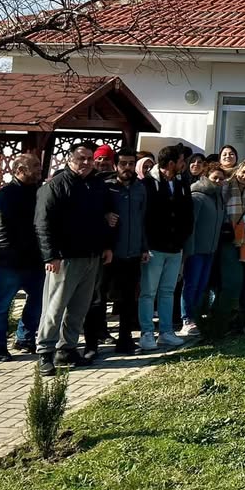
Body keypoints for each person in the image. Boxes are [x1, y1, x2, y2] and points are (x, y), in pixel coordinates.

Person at [34, 141, 112, 373]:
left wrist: (106, 246)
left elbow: (105, 217)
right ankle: (45, 351)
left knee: (79, 307)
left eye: (90, 158)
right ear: (69, 160)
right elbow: (42, 223)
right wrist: (50, 256)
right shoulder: (56, 185)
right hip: (64, 257)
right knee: (55, 307)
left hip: (91, 256)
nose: (86, 163)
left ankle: (66, 349)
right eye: (81, 159)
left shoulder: (97, 185)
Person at [0, 152, 45, 360]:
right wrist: (9, 254)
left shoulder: (40, 192)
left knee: (38, 300)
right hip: (10, 262)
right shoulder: (6, 195)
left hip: (35, 260)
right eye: (35, 166)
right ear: (20, 170)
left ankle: (26, 336)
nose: (40, 170)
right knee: (2, 304)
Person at [136, 146, 193, 352]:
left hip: (175, 247)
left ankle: (166, 332)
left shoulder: (182, 183)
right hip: (153, 247)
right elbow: (141, 217)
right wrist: (144, 245)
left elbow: (188, 214)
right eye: (180, 161)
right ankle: (147, 333)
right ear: (170, 164)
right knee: (148, 292)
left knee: (168, 291)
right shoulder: (147, 184)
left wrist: (183, 240)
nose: (183, 165)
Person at [102, 147, 147, 354]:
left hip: (133, 252)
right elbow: (95, 213)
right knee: (102, 296)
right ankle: (96, 338)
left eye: (131, 164)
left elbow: (144, 219)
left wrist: (144, 247)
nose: (127, 168)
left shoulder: (141, 188)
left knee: (129, 298)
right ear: (115, 165)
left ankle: (125, 339)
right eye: (123, 164)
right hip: (111, 253)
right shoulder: (107, 187)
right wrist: (104, 216)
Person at [180, 167, 225, 336]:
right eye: (215, 178)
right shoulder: (197, 196)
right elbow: (190, 226)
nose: (218, 181)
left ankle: (195, 316)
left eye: (221, 179)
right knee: (191, 285)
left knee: (201, 285)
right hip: (196, 250)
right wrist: (189, 250)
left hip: (210, 250)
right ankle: (186, 318)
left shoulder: (218, 198)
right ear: (206, 177)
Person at [220, 160, 245, 321]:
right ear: (237, 171)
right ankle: (227, 309)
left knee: (244, 275)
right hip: (228, 236)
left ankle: (240, 310)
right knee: (230, 275)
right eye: (243, 172)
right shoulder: (226, 187)